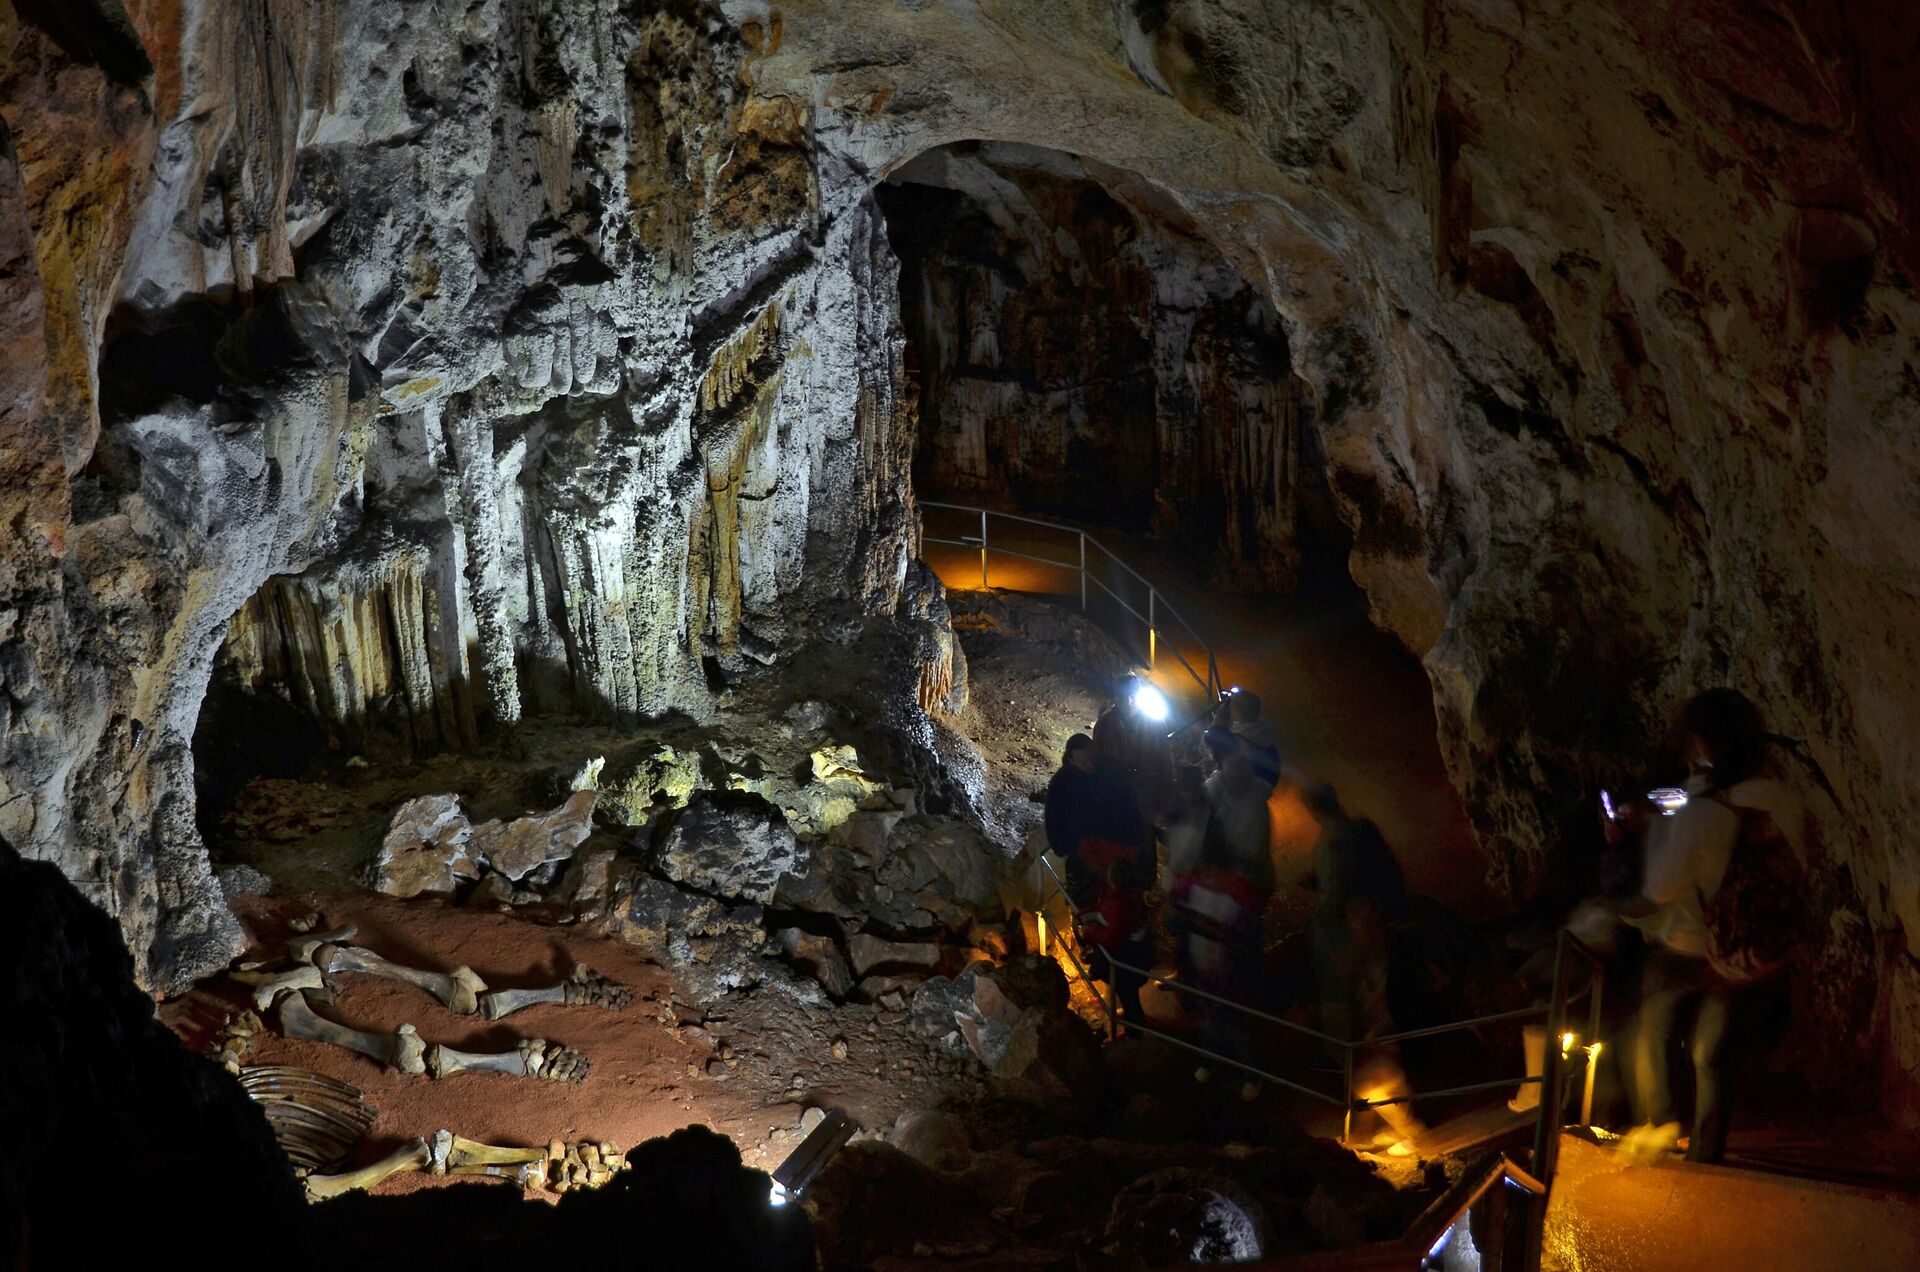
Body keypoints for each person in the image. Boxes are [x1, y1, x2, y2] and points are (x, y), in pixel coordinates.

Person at [1614, 688, 1805, 1164]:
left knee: (1658, 1033)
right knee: (1711, 1055)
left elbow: (1657, 890)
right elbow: (1691, 796)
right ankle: (1706, 1154)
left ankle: (1664, 1129)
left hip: (1705, 948)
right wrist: (1657, 806)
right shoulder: (1778, 795)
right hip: (1769, 949)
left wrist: (1636, 840)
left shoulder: (1702, 811)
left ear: (1702, 745)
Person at [1043, 733, 1154, 1027]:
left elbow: (1130, 811)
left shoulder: (1112, 773)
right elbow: (1054, 819)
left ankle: (1121, 991)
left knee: (1116, 921)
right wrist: (1063, 847)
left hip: (1116, 861)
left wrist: (1131, 851)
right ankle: (1105, 970)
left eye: (1093, 758)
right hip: (1086, 862)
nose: (1091, 764)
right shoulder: (1063, 783)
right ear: (1071, 760)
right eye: (1084, 761)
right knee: (1093, 915)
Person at [1302, 785, 1407, 1061]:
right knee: (1380, 989)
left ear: (1314, 809)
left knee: (1339, 989)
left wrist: (1320, 920)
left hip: (1355, 924)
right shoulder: (1361, 828)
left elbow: (1335, 892)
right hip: (1379, 916)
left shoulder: (1333, 841)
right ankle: (1391, 1055)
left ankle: (1341, 1055)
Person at [1171, 825, 1269, 1101]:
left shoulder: (1236, 895)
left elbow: (1242, 937)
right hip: (1203, 966)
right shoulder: (1194, 886)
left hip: (1228, 972)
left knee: (1234, 1025)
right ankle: (1210, 1059)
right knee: (1209, 1020)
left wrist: (1199, 925)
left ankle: (1252, 1074)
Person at [1094, 675, 1174, 822]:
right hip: (1115, 798)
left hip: (1146, 800)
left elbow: (1165, 763)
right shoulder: (1105, 724)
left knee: (1144, 840)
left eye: (1133, 696)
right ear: (1116, 698)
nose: (1129, 702)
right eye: (1123, 698)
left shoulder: (1155, 725)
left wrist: (1166, 801)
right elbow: (1096, 761)